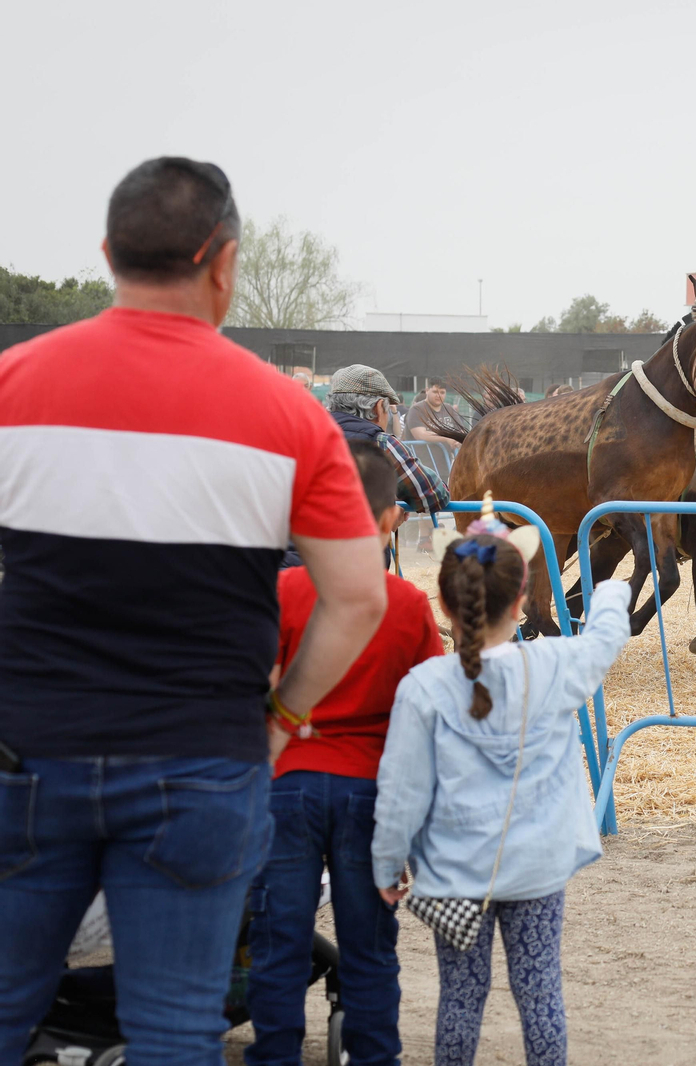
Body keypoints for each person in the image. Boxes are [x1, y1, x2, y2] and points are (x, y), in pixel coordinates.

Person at [0, 156, 387, 1066]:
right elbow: (359, 594)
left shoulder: (14, 386)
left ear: (108, 254)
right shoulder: (286, 415)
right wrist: (286, 717)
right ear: (225, 263)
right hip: (200, 759)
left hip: (27, 754)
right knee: (175, 1030)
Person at [372, 530, 632, 1066]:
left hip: (455, 871)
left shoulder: (423, 687)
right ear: (522, 604)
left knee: (461, 1000)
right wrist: (609, 593)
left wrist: (385, 863)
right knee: (540, 994)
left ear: (443, 603)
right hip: (536, 869)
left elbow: (401, 791)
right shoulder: (555, 666)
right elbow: (605, 639)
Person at [246, 443, 443, 1066]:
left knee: (278, 940)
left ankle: (273, 1055)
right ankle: (373, 1055)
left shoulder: (283, 592)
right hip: (372, 794)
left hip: (287, 785)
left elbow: (259, 688)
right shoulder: (409, 606)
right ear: (392, 520)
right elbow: (432, 708)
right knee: (369, 946)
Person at [327, 364, 450, 519]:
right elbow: (434, 497)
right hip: (364, 539)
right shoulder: (383, 445)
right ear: (378, 408)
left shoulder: (308, 437)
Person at [404, 380, 469, 447]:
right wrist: (446, 438)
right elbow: (420, 434)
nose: (438, 395)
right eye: (435, 392)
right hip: (422, 456)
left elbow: (461, 431)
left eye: (442, 392)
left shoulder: (449, 409)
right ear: (427, 390)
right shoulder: (417, 409)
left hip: (448, 456)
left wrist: (459, 440)